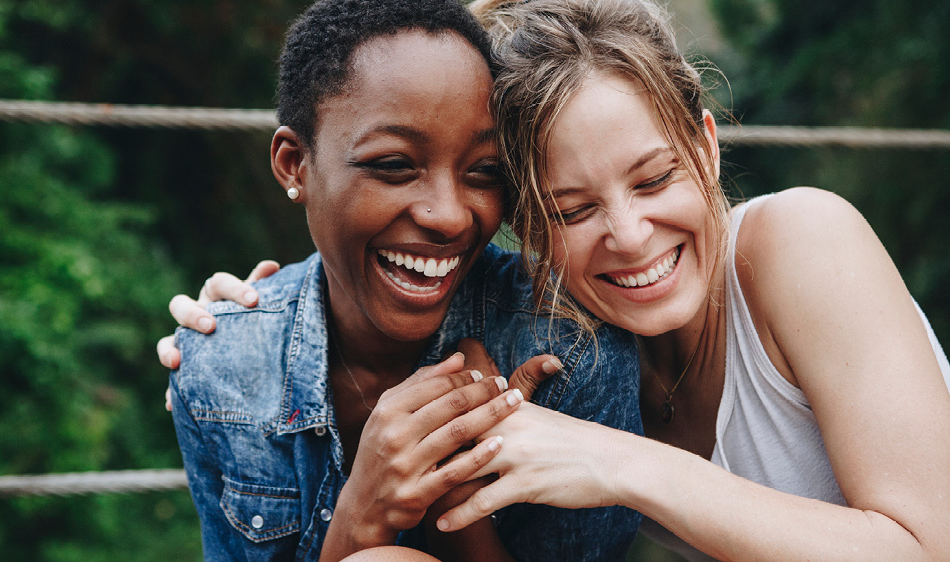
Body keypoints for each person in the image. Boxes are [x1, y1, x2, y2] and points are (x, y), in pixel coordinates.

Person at [172, 0, 950, 560]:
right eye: (572, 209)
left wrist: (618, 461)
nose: (629, 235)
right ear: (525, 227)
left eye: (653, 180)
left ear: (707, 148)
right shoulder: (578, 340)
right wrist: (257, 322)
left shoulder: (800, 240)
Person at [164, 1, 641, 561]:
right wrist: (361, 516)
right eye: (394, 165)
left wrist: (457, 492)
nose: (449, 217)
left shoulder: (570, 351)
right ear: (295, 164)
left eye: (484, 172)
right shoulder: (223, 370)